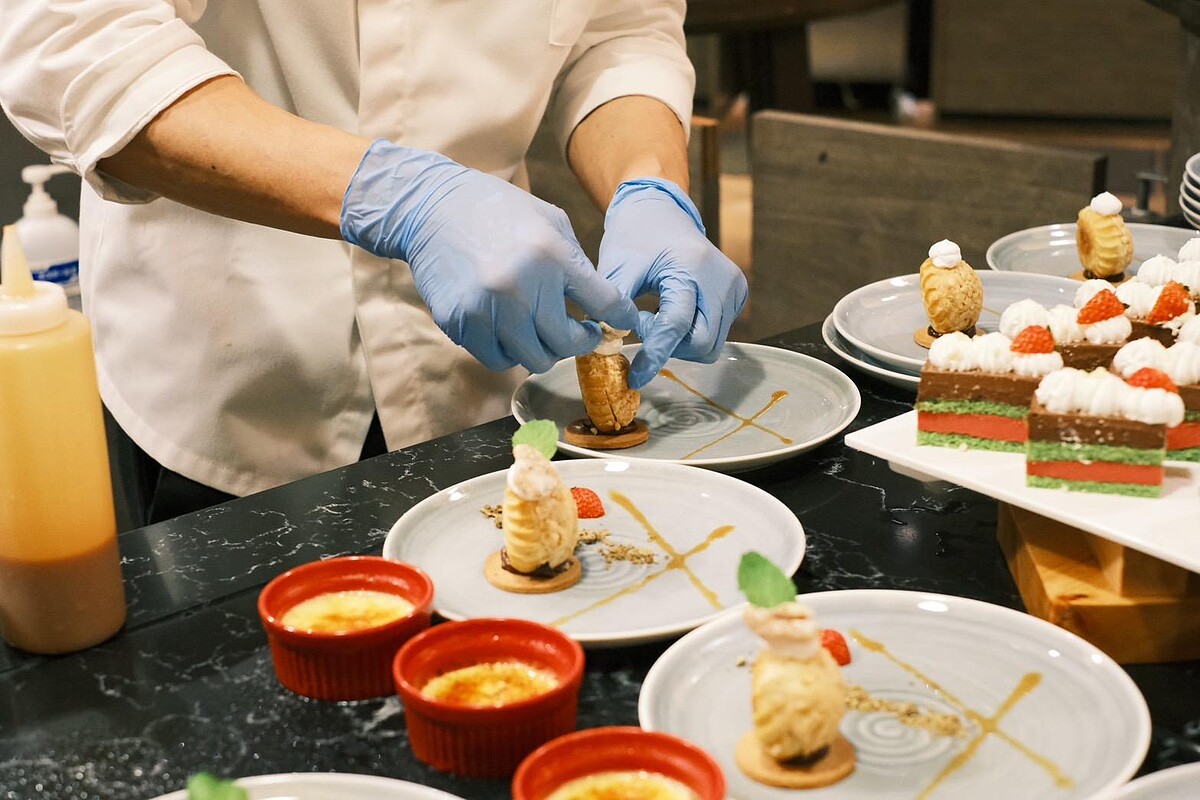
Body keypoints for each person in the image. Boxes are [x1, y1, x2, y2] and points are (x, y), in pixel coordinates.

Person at [0, 1, 747, 521]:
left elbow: (617, 28)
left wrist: (649, 185)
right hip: (235, 389)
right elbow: (73, 42)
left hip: (484, 382)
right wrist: (395, 195)